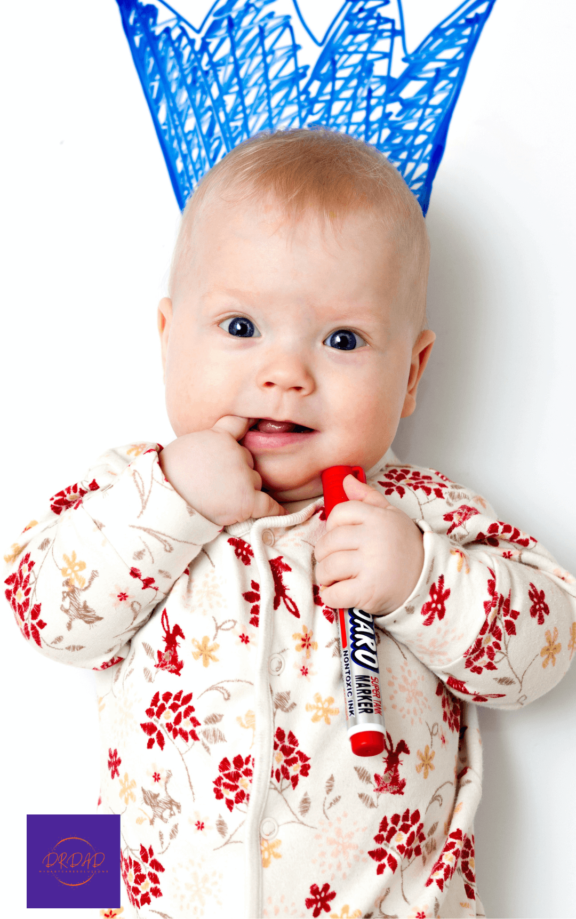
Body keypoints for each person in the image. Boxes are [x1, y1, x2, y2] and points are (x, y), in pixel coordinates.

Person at [4, 129, 575, 918]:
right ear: (168, 340)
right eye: (240, 327)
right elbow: (39, 613)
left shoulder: (415, 511)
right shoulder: (136, 488)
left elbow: (543, 652)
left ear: (410, 373)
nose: (285, 373)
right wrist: (174, 496)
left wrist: (419, 577)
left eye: (342, 340)